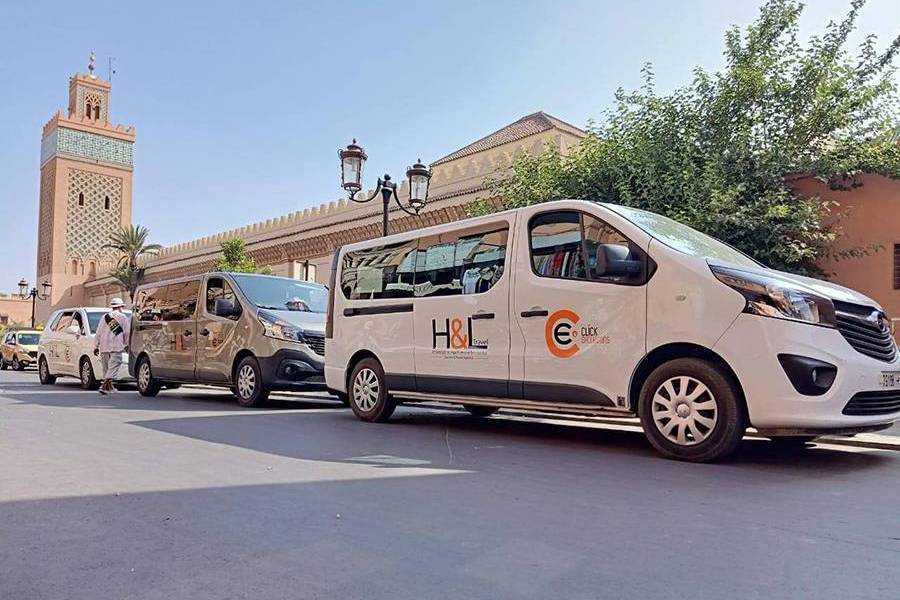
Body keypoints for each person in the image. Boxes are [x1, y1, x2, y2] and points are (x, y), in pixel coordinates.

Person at [93, 297, 131, 395]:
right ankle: (103, 386)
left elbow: (98, 332)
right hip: (116, 347)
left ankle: (109, 388)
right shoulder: (122, 317)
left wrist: (96, 346)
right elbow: (127, 332)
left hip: (104, 347)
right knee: (113, 368)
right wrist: (126, 345)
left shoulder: (104, 317)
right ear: (120, 307)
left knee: (106, 369)